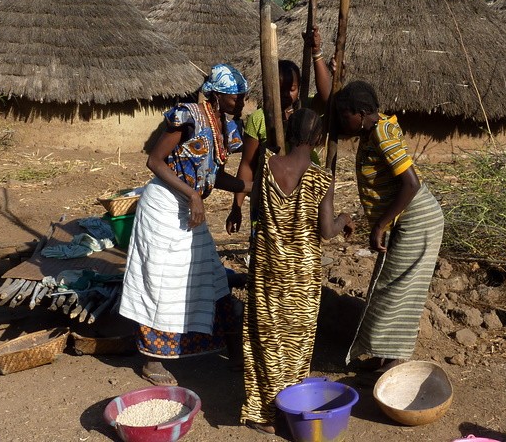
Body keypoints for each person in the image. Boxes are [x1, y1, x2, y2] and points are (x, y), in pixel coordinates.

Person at [118, 63, 251, 387]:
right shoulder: (188, 116)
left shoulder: (226, 128)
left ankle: (234, 355)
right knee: (163, 283)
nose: (242, 102)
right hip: (164, 206)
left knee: (213, 276)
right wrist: (193, 194)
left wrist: (246, 188)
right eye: (236, 97)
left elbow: (212, 174)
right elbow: (154, 161)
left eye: (244, 96)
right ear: (218, 96)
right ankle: (153, 361)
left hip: (190, 208)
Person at [241, 108, 354, 434]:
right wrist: (345, 218)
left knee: (265, 339)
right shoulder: (322, 178)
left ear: (288, 133)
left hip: (267, 267)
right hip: (302, 276)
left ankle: (264, 414)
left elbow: (258, 208)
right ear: (319, 139)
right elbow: (326, 231)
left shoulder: (265, 167)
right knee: (297, 344)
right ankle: (292, 411)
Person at [333, 80, 444, 383]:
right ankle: (383, 355)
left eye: (346, 115)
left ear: (363, 112)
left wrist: (381, 225)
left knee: (399, 289)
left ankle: (395, 362)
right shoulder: (371, 131)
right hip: (404, 219)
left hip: (417, 218)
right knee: (384, 285)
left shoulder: (382, 134)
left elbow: (412, 183)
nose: (342, 121)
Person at [226, 27, 332, 235]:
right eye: (280, 89)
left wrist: (316, 53)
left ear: (299, 87)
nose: (285, 95)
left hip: (305, 196)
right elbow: (248, 164)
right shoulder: (259, 118)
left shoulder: (306, 112)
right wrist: (236, 207)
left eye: (291, 89)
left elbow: (328, 98)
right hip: (269, 198)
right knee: (268, 254)